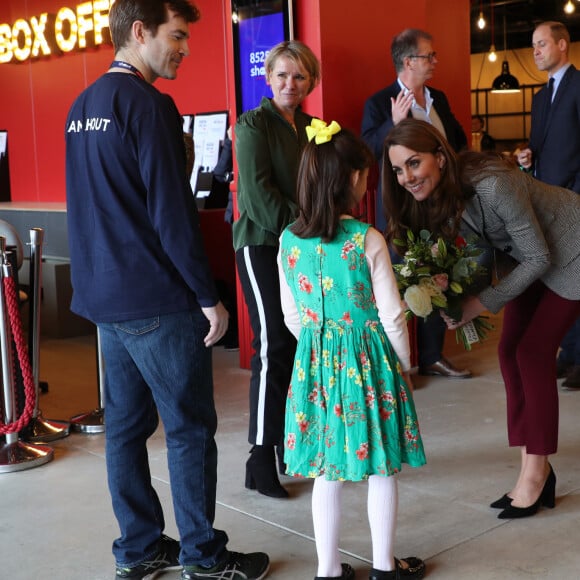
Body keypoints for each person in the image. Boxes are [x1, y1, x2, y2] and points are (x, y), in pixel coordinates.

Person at [64, 1, 269, 579]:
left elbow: (88, 209)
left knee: (125, 432)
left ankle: (139, 547)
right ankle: (204, 560)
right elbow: (171, 212)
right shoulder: (149, 105)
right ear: (139, 31)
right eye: (176, 36)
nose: (183, 48)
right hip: (155, 298)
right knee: (188, 430)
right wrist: (208, 294)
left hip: (105, 299)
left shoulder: (83, 107)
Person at [382, 118, 580, 520]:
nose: (406, 178)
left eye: (414, 164)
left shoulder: (493, 184)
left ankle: (535, 474)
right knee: (509, 350)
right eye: (398, 170)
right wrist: (455, 302)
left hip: (571, 250)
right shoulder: (440, 195)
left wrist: (479, 304)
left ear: (440, 157)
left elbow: (540, 256)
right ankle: (536, 465)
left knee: (533, 353)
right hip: (525, 259)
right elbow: (483, 253)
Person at [278, 121, 426, 580]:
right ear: (350, 181)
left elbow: (292, 316)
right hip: (370, 366)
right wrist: (404, 364)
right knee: (381, 465)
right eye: (363, 174)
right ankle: (383, 568)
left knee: (327, 468)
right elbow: (392, 315)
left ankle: (329, 570)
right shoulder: (368, 240)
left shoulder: (287, 240)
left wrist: (319, 351)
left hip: (316, 365)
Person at [233, 40, 321, 498]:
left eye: (300, 76)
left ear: (311, 82)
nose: (291, 83)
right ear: (268, 77)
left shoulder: (312, 127)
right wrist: (311, 223)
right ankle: (259, 456)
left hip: (302, 247)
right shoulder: (252, 126)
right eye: (283, 75)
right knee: (271, 346)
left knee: (296, 344)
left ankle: (289, 444)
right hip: (262, 246)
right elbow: (259, 199)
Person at [361, 28, 471, 380]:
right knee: (400, 280)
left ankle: (432, 355)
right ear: (409, 61)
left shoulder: (438, 98)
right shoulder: (380, 102)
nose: (435, 62)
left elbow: (457, 140)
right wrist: (392, 125)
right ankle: (399, 363)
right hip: (401, 207)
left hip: (440, 205)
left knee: (440, 275)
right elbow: (367, 152)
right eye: (430, 56)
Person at [516, 21, 580, 390]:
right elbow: (538, 146)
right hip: (546, 201)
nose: (535, 51)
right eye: (533, 45)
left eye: (541, 44)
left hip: (574, 200)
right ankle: (568, 354)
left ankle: (579, 358)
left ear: (562, 44)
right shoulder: (540, 97)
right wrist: (527, 156)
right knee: (559, 280)